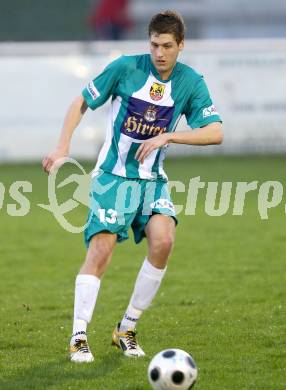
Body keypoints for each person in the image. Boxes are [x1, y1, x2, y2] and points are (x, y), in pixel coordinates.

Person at [42, 10, 223, 363]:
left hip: (152, 181)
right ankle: (79, 335)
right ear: (149, 41)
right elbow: (81, 101)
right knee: (101, 252)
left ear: (181, 45)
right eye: (154, 44)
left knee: (164, 240)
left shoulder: (190, 82)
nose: (159, 53)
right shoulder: (125, 68)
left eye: (167, 46)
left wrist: (170, 135)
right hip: (113, 177)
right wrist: (63, 146)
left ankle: (126, 328)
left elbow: (216, 132)